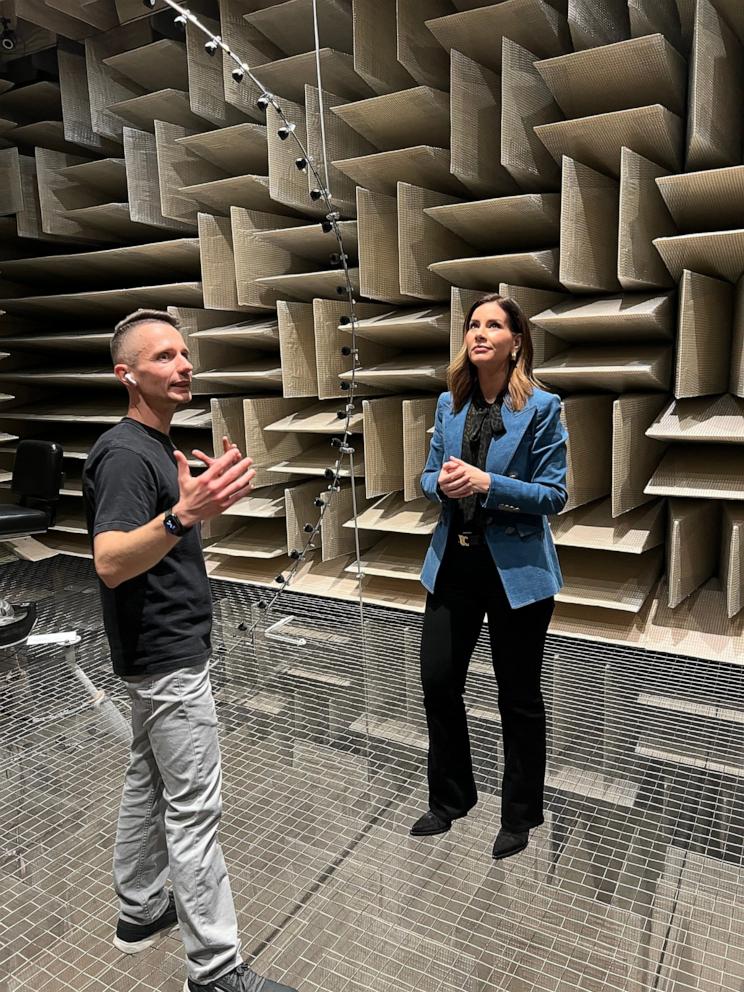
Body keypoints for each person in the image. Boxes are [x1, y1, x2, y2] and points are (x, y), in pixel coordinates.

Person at [82, 309, 296, 992]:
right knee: (195, 811)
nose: (182, 367)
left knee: (148, 780)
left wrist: (196, 508)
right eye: (163, 357)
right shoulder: (122, 453)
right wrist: (183, 515)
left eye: (184, 354)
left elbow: (159, 540)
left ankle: (141, 908)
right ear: (127, 374)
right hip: (167, 657)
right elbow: (111, 561)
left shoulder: (153, 445)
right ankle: (215, 971)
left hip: (161, 654)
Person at [411, 293, 568, 860]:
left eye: (493, 325)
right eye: (473, 324)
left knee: (517, 696)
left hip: (516, 574)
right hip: (455, 563)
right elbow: (428, 476)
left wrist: (487, 485)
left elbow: (555, 495)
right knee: (437, 681)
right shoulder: (448, 404)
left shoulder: (543, 408)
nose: (479, 333)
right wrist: (442, 486)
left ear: (515, 341)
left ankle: (520, 813)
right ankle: (451, 799)